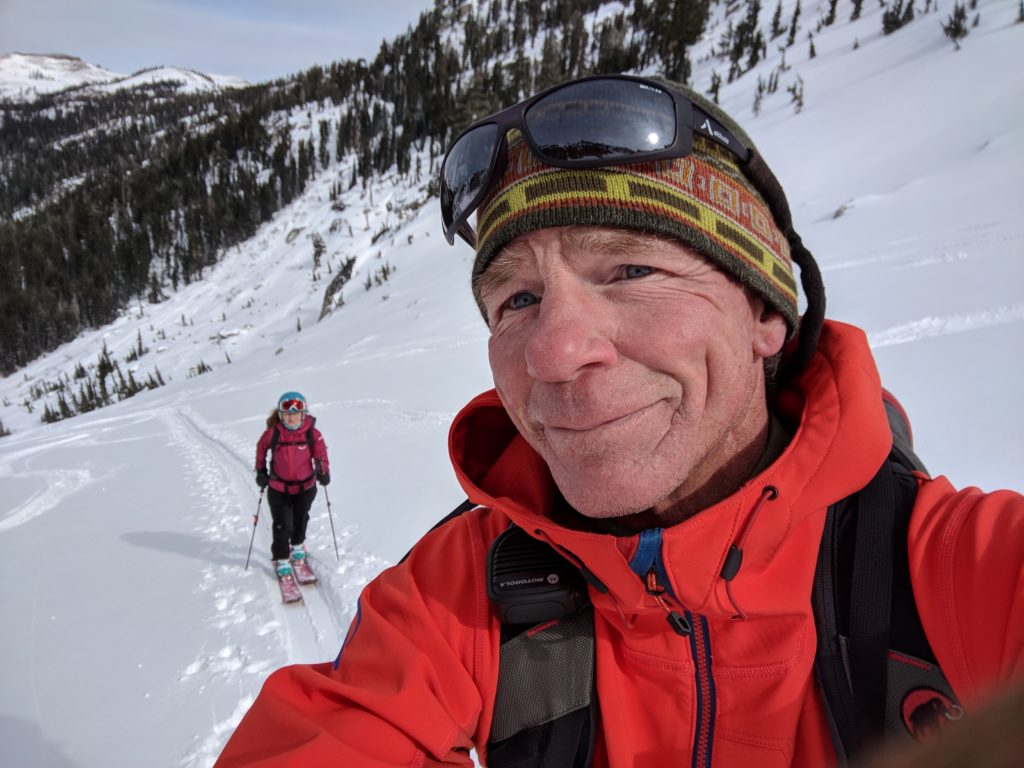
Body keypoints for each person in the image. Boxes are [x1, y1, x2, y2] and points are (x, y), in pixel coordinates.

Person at [217, 76, 1022, 766]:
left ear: (765, 315)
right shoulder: (463, 593)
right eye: (518, 300)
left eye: (632, 269)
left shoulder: (950, 571)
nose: (553, 353)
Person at [254, 391, 330, 576]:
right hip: (279, 489)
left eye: (296, 414)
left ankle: (297, 545)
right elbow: (261, 450)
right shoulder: (272, 434)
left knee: (300, 519)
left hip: (305, 488)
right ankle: (281, 559)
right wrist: (261, 471)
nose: (292, 418)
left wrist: (323, 471)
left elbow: (320, 454)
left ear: (303, 414)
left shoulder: (313, 433)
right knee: (282, 525)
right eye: (288, 414)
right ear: (281, 415)